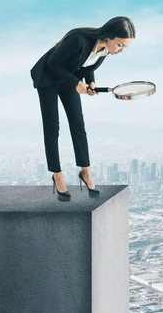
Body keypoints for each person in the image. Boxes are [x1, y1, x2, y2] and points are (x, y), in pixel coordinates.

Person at [30, 16, 136, 201]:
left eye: (125, 47)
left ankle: (86, 172)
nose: (121, 50)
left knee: (78, 125)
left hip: (68, 78)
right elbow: (53, 63)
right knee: (52, 128)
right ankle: (57, 176)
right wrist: (77, 84)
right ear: (110, 36)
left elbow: (87, 63)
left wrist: (90, 82)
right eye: (120, 45)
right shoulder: (78, 39)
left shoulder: (106, 50)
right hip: (47, 78)